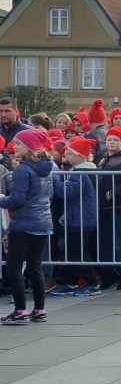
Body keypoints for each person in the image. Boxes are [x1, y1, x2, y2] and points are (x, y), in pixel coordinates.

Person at [0, 130, 53, 324]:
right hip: (43, 222)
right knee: (35, 265)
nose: (14, 147)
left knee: (14, 265)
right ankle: (39, 309)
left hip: (24, 223)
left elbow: (17, 200)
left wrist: (1, 200)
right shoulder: (46, 167)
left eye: (19, 144)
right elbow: (49, 195)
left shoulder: (23, 169)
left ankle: (20, 310)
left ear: (29, 147)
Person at [51, 137, 99, 296]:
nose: (67, 155)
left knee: (79, 253)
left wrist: (55, 178)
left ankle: (92, 283)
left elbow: (68, 192)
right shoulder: (83, 171)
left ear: (80, 156)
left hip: (80, 219)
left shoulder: (81, 173)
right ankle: (70, 282)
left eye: (70, 153)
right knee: (71, 252)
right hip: (77, 218)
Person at [95, 127, 121, 291]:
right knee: (104, 243)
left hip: (119, 207)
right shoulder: (103, 160)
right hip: (104, 208)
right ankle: (109, 274)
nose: (111, 142)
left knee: (120, 243)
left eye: (115, 140)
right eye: (109, 139)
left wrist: (112, 193)